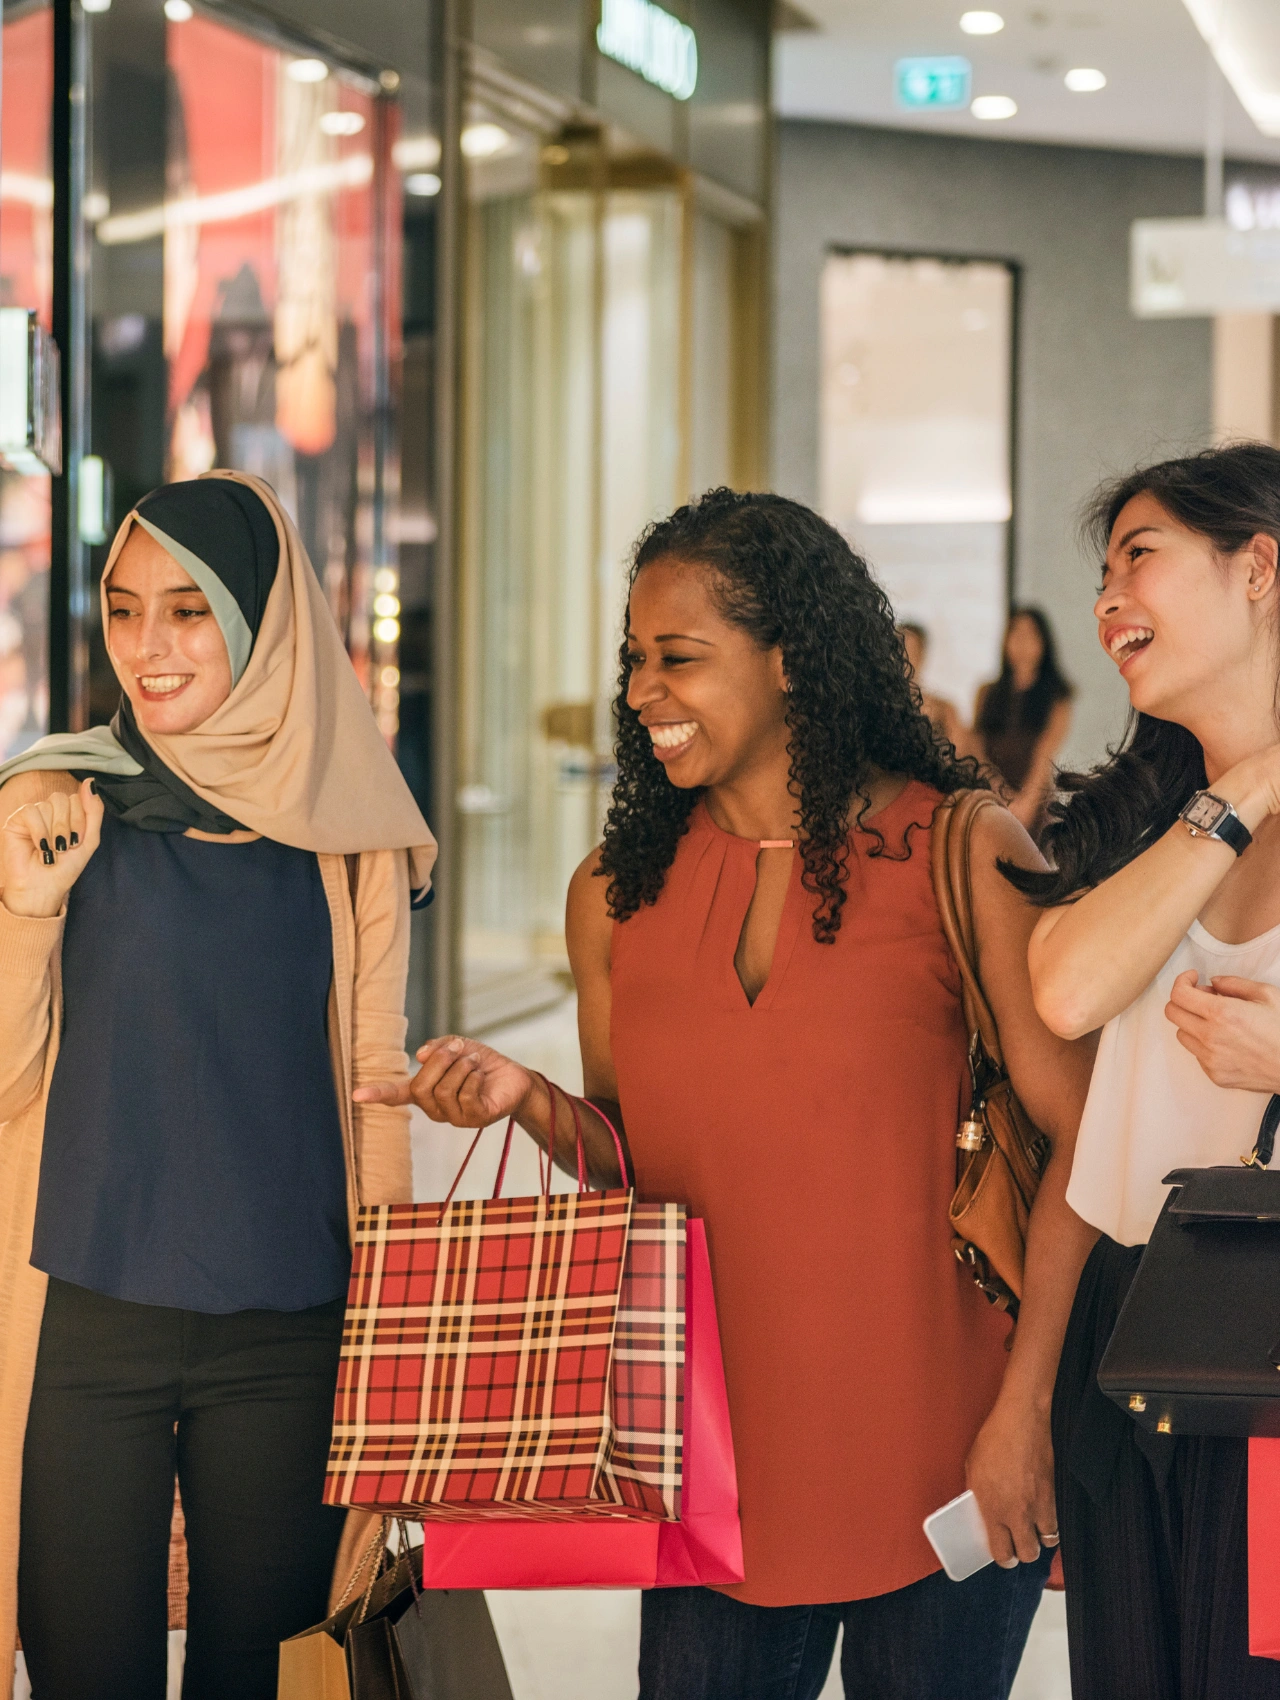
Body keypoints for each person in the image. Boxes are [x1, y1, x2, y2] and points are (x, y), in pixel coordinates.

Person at [359, 489, 1097, 1700]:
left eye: (679, 657)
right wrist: (527, 1099)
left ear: (791, 656)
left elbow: (1081, 1144)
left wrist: (1027, 1419)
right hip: (704, 1463)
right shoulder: (611, 894)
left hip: (949, 1445)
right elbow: (630, 1170)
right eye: (633, 659)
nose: (643, 689)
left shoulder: (961, 852)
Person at [0, 472, 436, 1700]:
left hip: (290, 1332)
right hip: (84, 1321)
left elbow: (372, 1080)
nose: (150, 646)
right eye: (127, 609)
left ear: (262, 618)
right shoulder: (53, 803)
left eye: (190, 610)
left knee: (267, 1674)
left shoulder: (350, 829)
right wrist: (28, 912)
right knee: (87, 1674)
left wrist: (391, 1341)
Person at [1020, 442, 1280, 1697]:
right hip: (1124, 1335)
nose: (1104, 596)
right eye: (1100, 569)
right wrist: (1238, 790)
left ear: (1256, 567)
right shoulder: (1152, 817)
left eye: (1139, 554)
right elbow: (1064, 986)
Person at [973, 608, 1073, 835]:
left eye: (1030, 634)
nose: (1022, 641)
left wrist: (1025, 804)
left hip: (1034, 798)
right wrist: (1000, 794)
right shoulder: (986, 692)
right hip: (989, 795)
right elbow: (977, 750)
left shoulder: (1057, 696)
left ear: (1043, 642)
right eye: (1015, 633)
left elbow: (1044, 755)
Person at [898, 621, 967, 751]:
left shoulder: (945, 710)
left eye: (910, 651)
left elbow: (958, 753)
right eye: (899, 651)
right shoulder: (879, 707)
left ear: (921, 655)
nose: (904, 660)